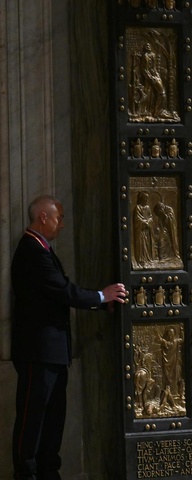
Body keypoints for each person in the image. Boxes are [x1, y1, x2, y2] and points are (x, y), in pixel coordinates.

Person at [11, 195, 127, 480]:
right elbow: (62, 290)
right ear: (44, 218)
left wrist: (102, 302)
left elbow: (59, 292)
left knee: (53, 417)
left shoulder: (42, 249)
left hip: (51, 350)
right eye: (59, 217)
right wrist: (101, 295)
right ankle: (27, 473)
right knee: (33, 416)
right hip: (38, 351)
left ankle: (48, 469)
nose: (62, 224)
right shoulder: (31, 250)